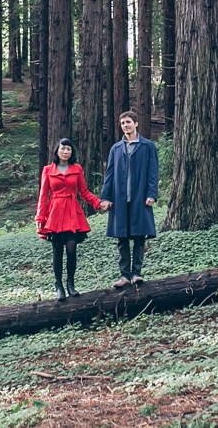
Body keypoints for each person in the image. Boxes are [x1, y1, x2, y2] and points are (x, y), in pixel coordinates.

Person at [35, 138, 103, 300]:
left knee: (71, 249)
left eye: (69, 149)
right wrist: (40, 216)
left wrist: (98, 203)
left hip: (72, 213)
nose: (66, 152)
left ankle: (70, 284)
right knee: (57, 251)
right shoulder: (48, 170)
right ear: (57, 150)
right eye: (63, 149)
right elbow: (43, 195)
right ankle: (58, 286)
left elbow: (84, 192)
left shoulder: (77, 168)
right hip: (55, 214)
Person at [100, 110, 158, 287]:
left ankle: (136, 274)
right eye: (123, 123)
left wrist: (151, 194)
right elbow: (109, 174)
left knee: (139, 236)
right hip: (119, 199)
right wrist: (105, 197)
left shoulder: (148, 146)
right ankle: (124, 275)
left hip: (140, 198)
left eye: (128, 122)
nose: (125, 125)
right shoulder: (116, 148)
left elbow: (153, 172)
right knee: (122, 238)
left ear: (136, 124)